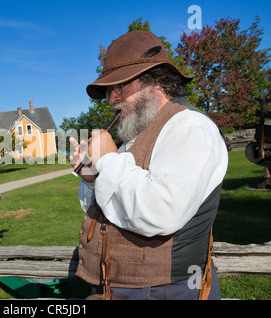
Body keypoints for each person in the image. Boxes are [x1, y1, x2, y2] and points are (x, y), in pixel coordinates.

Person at [69, 31, 228, 300]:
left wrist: (108, 160)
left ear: (154, 81)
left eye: (120, 87)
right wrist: (92, 176)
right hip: (117, 285)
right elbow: (111, 206)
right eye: (110, 90)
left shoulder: (191, 128)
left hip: (169, 291)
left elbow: (160, 212)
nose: (112, 99)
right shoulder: (135, 134)